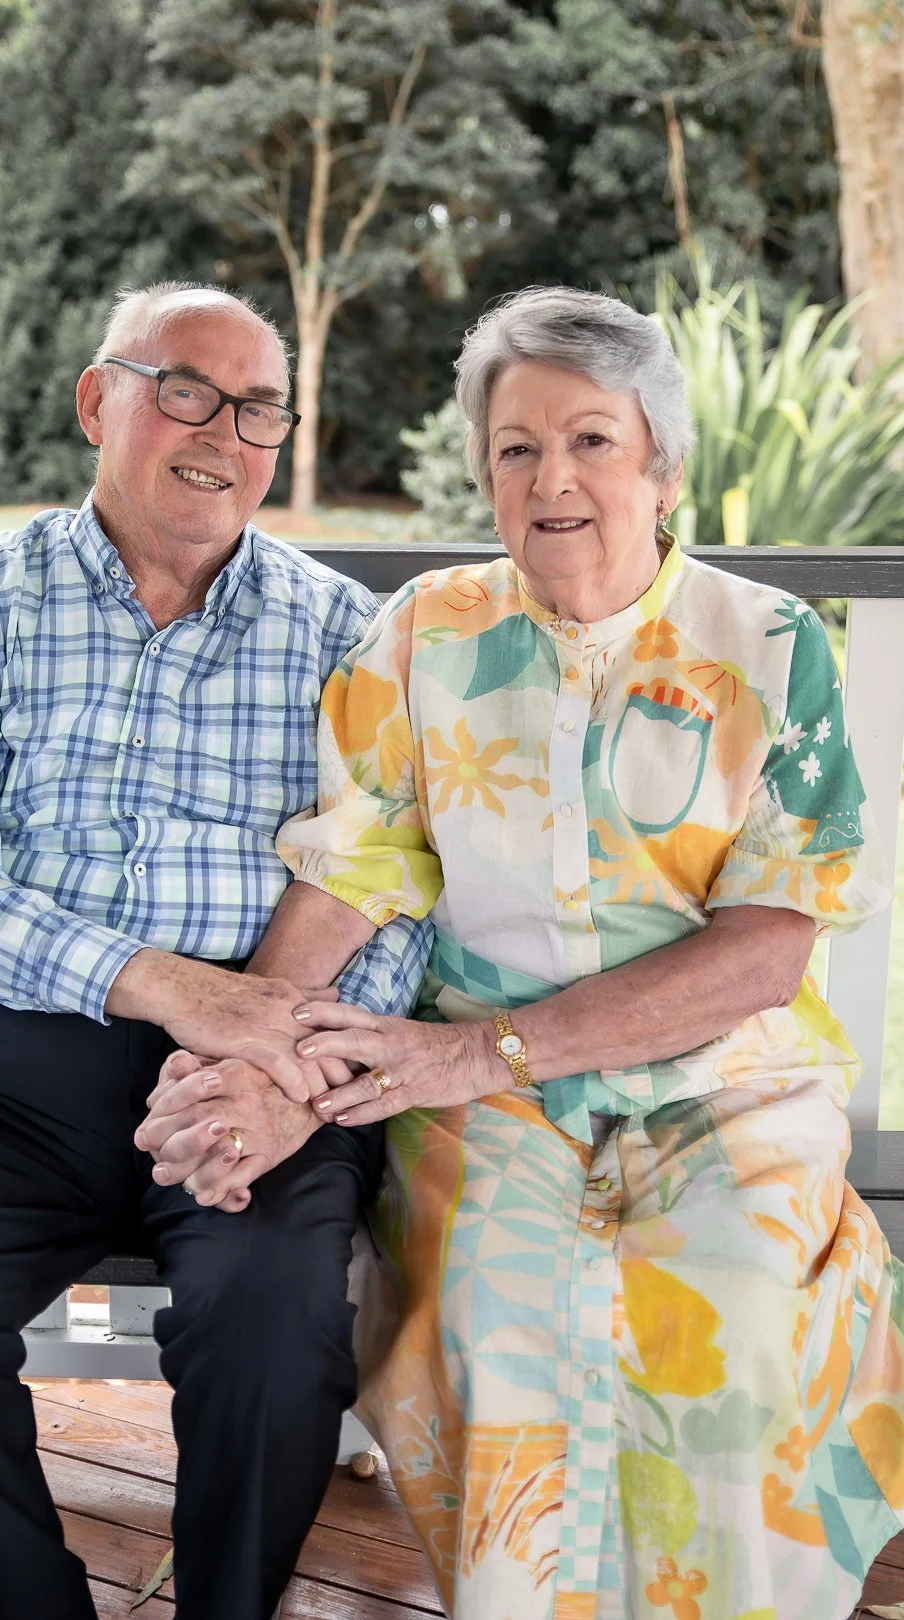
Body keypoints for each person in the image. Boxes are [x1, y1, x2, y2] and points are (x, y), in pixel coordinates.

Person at [142, 286, 904, 1620]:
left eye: (593, 441)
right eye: (516, 447)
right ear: (485, 469)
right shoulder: (428, 633)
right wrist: (254, 1060)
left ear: (662, 462)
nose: (553, 479)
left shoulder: (775, 649)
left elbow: (763, 955)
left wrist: (482, 1049)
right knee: (508, 1330)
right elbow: (353, 874)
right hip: (477, 1108)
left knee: (724, 1323)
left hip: (721, 1081)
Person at [0, 281, 430, 1620]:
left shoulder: (347, 636)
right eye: (185, 389)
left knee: (274, 1331)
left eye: (259, 407)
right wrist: (162, 987)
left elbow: (400, 889)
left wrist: (282, 1072)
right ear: (100, 401)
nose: (224, 430)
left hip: (258, 1085)